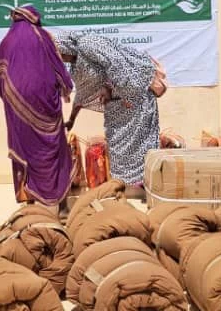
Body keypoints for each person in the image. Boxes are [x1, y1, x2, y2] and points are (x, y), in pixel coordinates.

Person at [60, 32, 161, 195]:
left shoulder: (88, 43)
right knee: (117, 148)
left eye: (57, 52)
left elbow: (116, 62)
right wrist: (71, 119)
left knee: (141, 146)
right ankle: (126, 189)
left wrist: (123, 92)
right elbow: (82, 93)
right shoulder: (75, 66)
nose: (58, 57)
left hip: (135, 97)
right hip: (115, 107)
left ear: (64, 47)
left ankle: (144, 188)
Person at [0, 5, 74, 209]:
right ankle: (54, 195)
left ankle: (28, 197)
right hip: (46, 103)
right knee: (51, 146)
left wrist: (11, 99)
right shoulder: (43, 36)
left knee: (25, 146)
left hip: (17, 106)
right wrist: (65, 87)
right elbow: (58, 67)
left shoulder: (7, 41)